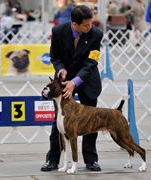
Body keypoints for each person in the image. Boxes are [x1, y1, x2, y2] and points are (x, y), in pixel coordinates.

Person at [40, 5, 103, 172]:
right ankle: (52, 159)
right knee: (59, 121)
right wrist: (60, 68)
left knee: (92, 119)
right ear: (74, 24)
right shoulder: (58, 31)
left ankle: (91, 159)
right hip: (62, 80)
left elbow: (92, 62)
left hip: (86, 79)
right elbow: (54, 56)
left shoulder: (96, 34)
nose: (90, 27)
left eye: (91, 23)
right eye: (86, 25)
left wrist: (75, 81)